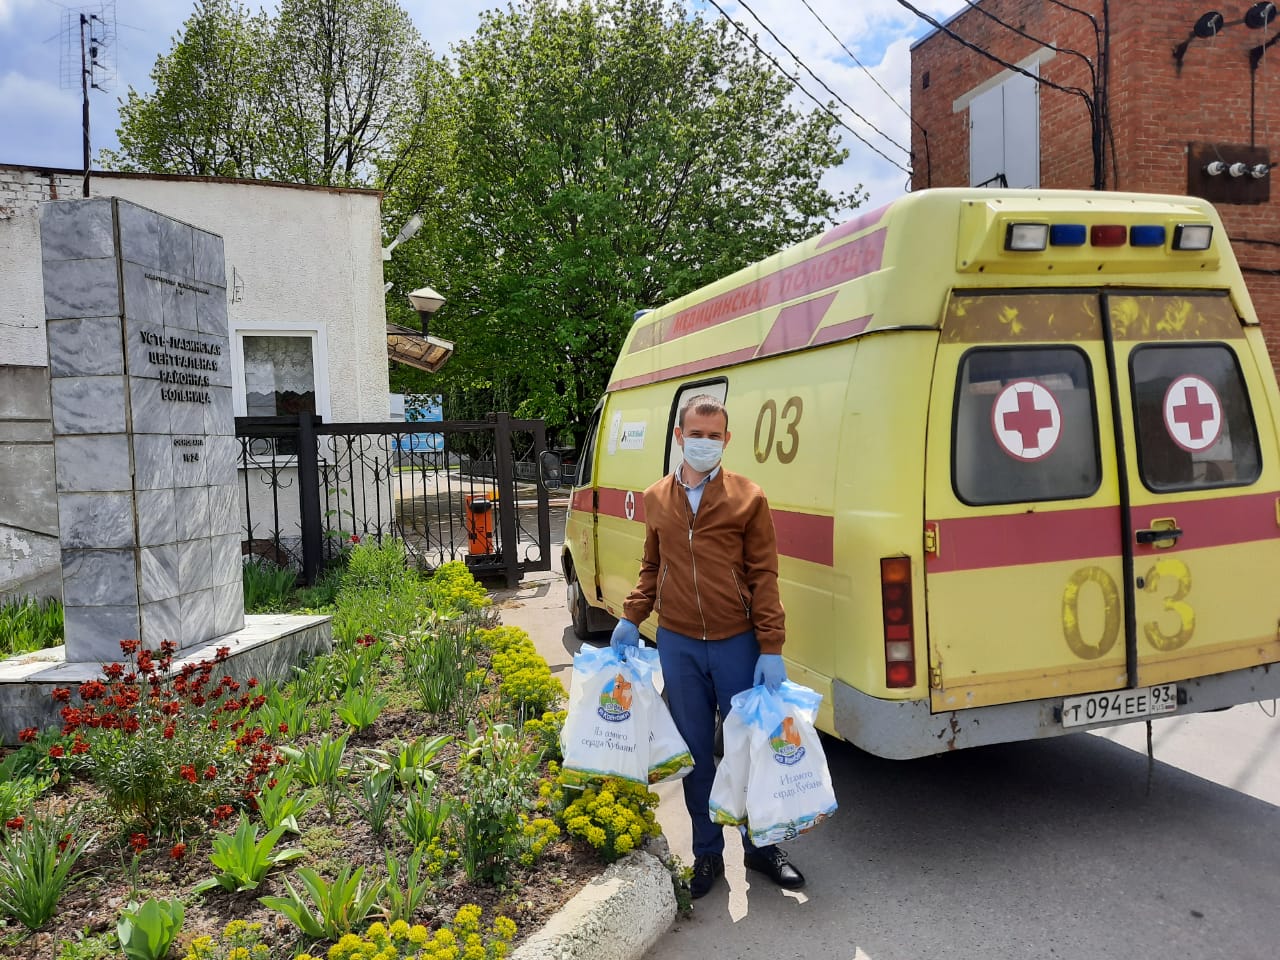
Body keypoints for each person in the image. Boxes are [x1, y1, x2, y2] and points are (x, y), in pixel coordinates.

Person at [610, 393, 805, 899]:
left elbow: (764, 575)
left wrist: (771, 645)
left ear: (726, 439)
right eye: (695, 434)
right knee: (696, 754)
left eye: (713, 435)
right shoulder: (656, 498)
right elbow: (652, 566)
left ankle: (762, 850)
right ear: (679, 437)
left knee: (748, 750)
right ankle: (708, 854)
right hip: (678, 643)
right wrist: (632, 616)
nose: (704, 443)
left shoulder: (748, 497)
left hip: (737, 642)